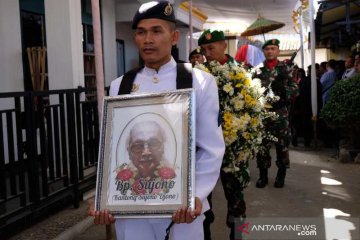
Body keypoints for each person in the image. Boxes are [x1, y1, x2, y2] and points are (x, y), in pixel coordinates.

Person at [89, 2, 225, 240]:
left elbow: (211, 148)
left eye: (156, 31)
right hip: (132, 211)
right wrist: (105, 197)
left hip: (182, 210)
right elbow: (114, 150)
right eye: (141, 32)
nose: (147, 39)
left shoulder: (199, 81)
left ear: (173, 37)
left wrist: (196, 195)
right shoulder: (120, 84)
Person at [199, 29, 247, 240]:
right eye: (204, 49)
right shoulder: (198, 74)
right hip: (205, 146)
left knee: (236, 196)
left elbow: (251, 106)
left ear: (223, 46)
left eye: (211, 47)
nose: (207, 53)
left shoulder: (241, 72)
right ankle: (203, 234)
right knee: (202, 194)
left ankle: (240, 235)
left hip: (233, 146)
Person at [253, 39, 298, 188]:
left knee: (282, 145)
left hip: (280, 113)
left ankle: (281, 174)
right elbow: (250, 89)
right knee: (262, 145)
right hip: (263, 113)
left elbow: (295, 88)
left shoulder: (286, 68)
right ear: (263, 52)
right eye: (267, 49)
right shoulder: (258, 70)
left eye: (273, 49)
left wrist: (285, 92)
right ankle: (263, 175)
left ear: (278, 51)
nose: (270, 51)